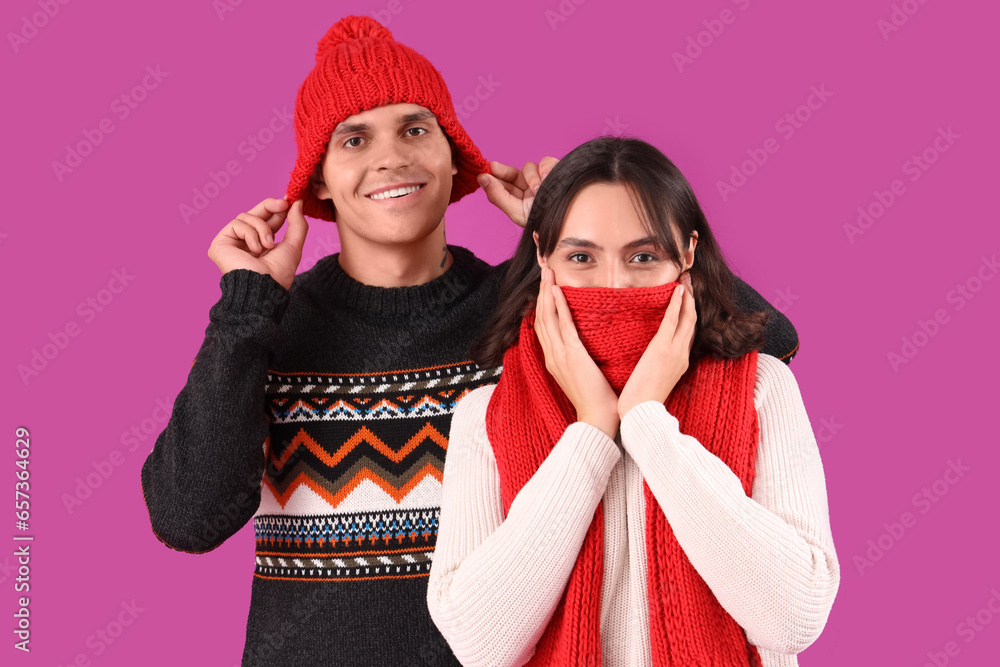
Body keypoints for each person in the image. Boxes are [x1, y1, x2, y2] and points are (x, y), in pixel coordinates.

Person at [140, 15, 800, 667]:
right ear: (315, 180)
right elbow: (188, 516)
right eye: (354, 139)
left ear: (455, 156)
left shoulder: (530, 312)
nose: (390, 156)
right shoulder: (266, 327)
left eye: (415, 128)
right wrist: (245, 307)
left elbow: (764, 339)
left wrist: (565, 224)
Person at [427, 136, 839, 667]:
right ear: (541, 256)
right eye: (581, 256)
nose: (615, 286)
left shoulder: (763, 387)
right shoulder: (486, 413)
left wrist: (648, 423)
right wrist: (592, 432)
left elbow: (792, 618)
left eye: (644, 256)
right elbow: (479, 643)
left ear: (687, 254)